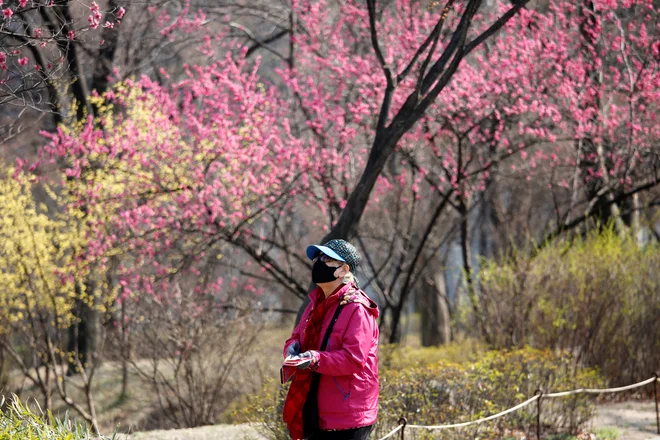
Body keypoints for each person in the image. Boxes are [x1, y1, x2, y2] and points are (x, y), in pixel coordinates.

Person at [281, 239, 379, 440]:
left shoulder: (357, 308)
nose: (317, 262)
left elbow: (353, 359)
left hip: (348, 415)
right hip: (315, 405)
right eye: (316, 258)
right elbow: (296, 336)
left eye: (325, 258)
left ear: (343, 269)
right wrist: (292, 348)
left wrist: (314, 359)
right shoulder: (315, 303)